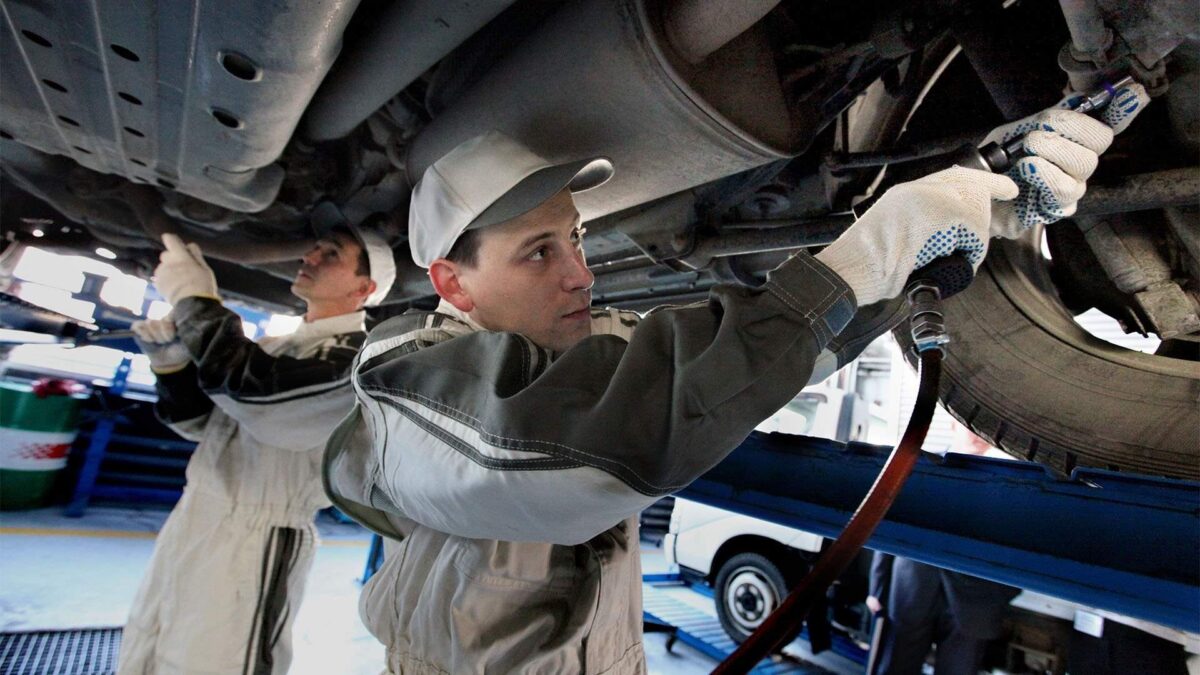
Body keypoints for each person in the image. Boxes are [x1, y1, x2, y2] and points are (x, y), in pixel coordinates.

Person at [325, 85, 1148, 673]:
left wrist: (958, 221)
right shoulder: (401, 375)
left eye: (574, 238)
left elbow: (747, 357)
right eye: (539, 252)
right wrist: (873, 252)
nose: (580, 273)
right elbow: (592, 434)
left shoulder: (597, 348)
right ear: (452, 284)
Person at [116, 196, 396, 674]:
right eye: (315, 249)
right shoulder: (271, 347)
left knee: (217, 663)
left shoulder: (358, 359)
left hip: (256, 539)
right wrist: (171, 366)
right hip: (194, 518)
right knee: (148, 651)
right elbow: (200, 426)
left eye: (331, 254)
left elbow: (256, 402)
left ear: (365, 288)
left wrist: (195, 299)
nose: (310, 257)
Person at [867, 552, 1020, 675]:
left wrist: (1003, 593)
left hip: (977, 594)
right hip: (911, 584)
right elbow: (887, 516)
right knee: (896, 666)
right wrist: (877, 586)